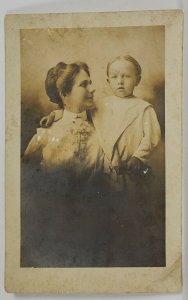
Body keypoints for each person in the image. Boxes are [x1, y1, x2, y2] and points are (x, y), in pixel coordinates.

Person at [41, 56, 161, 191]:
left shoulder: (144, 108)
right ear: (108, 81)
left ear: (137, 80)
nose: (120, 81)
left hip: (130, 168)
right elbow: (76, 109)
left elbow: (151, 138)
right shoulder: (101, 104)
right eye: (114, 77)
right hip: (105, 173)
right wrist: (55, 114)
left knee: (131, 203)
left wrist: (138, 157)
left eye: (126, 76)